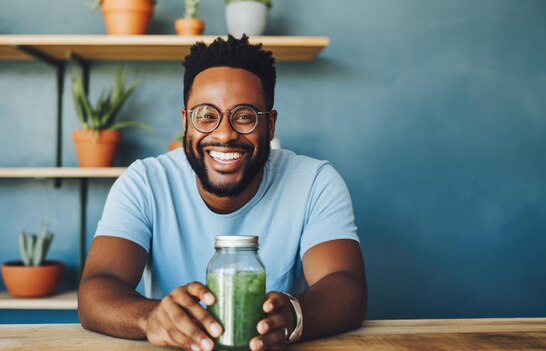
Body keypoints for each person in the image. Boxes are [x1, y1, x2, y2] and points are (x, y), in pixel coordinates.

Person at [78, 35, 367, 351]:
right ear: (186, 122)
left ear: (270, 126)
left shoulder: (315, 182)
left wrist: (294, 314)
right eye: (206, 115)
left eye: (244, 116)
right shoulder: (144, 182)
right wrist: (151, 317)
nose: (224, 134)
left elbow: (346, 287)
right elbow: (96, 290)